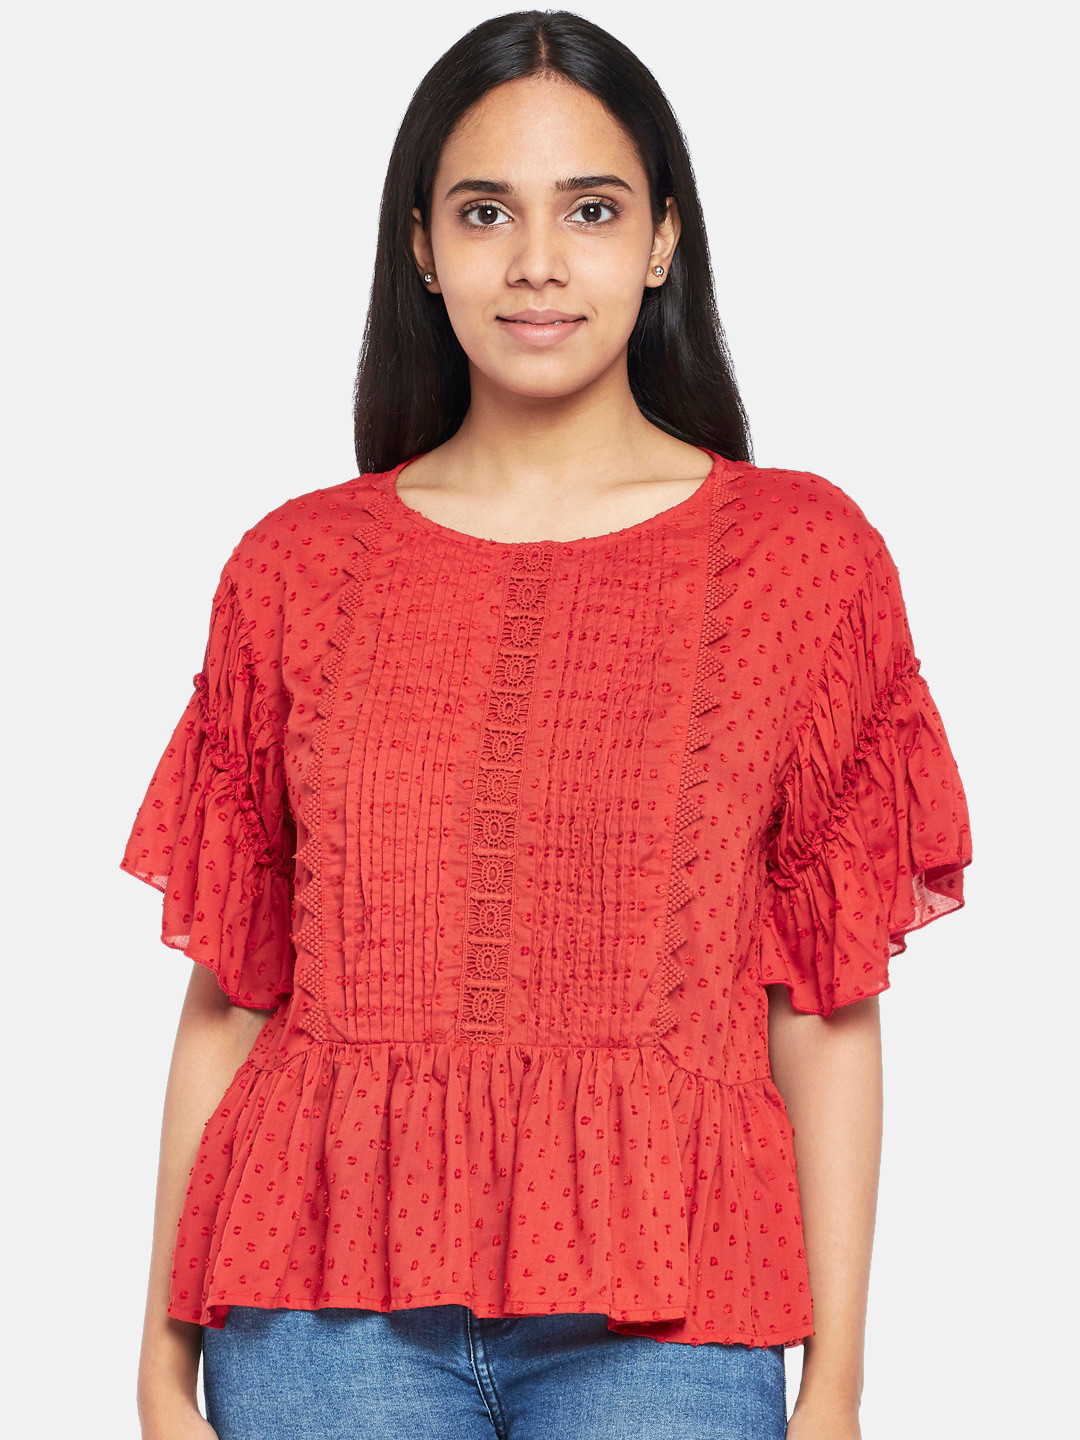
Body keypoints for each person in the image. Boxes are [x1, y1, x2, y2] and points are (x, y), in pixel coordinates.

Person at [124, 12, 972, 1440]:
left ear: (661, 240)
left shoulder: (801, 560)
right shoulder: (294, 569)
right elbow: (233, 990)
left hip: (672, 1313)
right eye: (483, 212)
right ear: (421, 248)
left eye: (589, 209)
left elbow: (825, 1010)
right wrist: (159, 1369)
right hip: (316, 1314)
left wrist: (834, 1388)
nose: (535, 261)